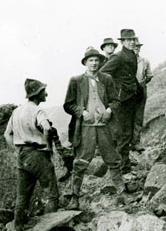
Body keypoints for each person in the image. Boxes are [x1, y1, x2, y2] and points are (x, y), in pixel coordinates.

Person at [63, 47, 123, 210]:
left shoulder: (107, 78)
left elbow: (116, 101)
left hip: (105, 126)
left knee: (112, 158)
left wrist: (109, 111)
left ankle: (122, 192)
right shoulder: (76, 81)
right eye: (91, 60)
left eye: (97, 60)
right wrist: (82, 112)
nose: (94, 63)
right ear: (85, 63)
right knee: (81, 161)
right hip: (85, 128)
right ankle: (74, 197)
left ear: (100, 62)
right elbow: (68, 105)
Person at [4, 78, 59, 231]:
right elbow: (47, 128)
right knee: (51, 193)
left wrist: (17, 150)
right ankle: (49, 230)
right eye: (44, 91)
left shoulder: (17, 111)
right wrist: (48, 147)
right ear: (37, 94)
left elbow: (7, 134)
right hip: (38, 154)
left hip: (22, 155)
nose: (46, 94)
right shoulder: (37, 111)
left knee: (22, 196)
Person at [100, 29, 141, 170]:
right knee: (123, 132)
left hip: (131, 97)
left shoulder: (132, 55)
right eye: (128, 40)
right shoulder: (117, 57)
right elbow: (102, 73)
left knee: (128, 131)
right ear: (122, 42)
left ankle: (125, 161)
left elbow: (131, 75)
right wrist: (117, 86)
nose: (131, 42)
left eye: (133, 40)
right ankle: (121, 166)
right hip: (122, 99)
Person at [131, 41, 153, 151]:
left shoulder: (145, 61)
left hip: (141, 90)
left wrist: (142, 84)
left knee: (138, 116)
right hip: (128, 91)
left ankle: (136, 142)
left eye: (138, 47)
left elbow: (149, 75)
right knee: (127, 116)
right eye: (134, 47)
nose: (136, 48)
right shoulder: (125, 61)